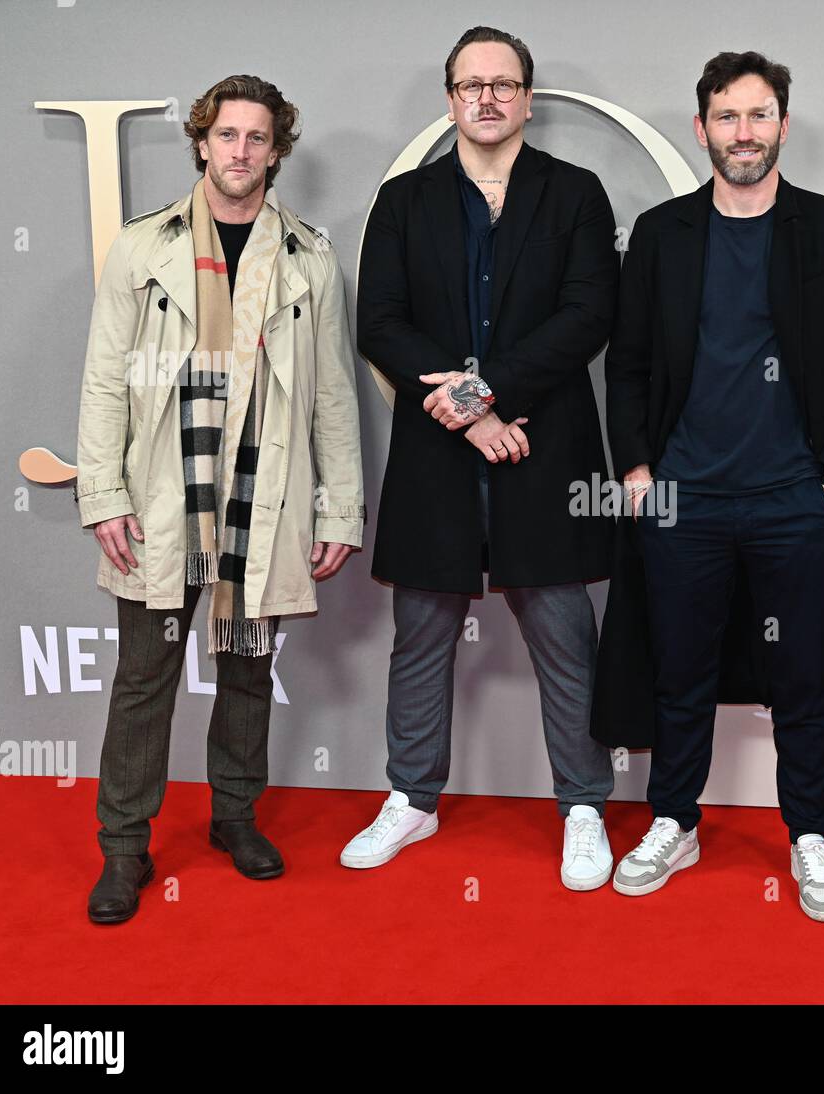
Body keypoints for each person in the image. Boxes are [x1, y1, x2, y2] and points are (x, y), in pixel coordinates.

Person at [595, 51, 824, 922]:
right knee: (679, 675)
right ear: (702, 130)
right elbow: (631, 365)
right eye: (727, 118)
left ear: (784, 127)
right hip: (683, 502)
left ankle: (809, 834)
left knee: (804, 678)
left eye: (759, 116)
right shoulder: (660, 234)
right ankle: (674, 821)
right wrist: (640, 473)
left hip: (796, 504)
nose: (744, 133)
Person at [76, 74, 364, 924]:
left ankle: (234, 818)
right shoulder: (142, 246)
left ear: (277, 151)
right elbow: (105, 383)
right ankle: (123, 849)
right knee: (144, 677)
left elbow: (333, 398)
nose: (241, 151)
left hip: (262, 492)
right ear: (202, 142)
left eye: (257, 138)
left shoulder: (310, 257)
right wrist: (104, 494)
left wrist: (338, 507)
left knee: (247, 669)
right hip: (167, 493)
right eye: (227, 135)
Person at [351, 26, 618, 890]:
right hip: (441, 454)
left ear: (529, 100)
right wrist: (468, 418)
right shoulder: (404, 200)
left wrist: (482, 393)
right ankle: (412, 800)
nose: (488, 98)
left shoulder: (576, 193)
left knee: (566, 634)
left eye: (505, 84)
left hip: (545, 445)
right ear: (450, 98)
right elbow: (381, 324)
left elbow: (588, 315)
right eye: (472, 85)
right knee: (421, 635)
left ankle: (583, 804)